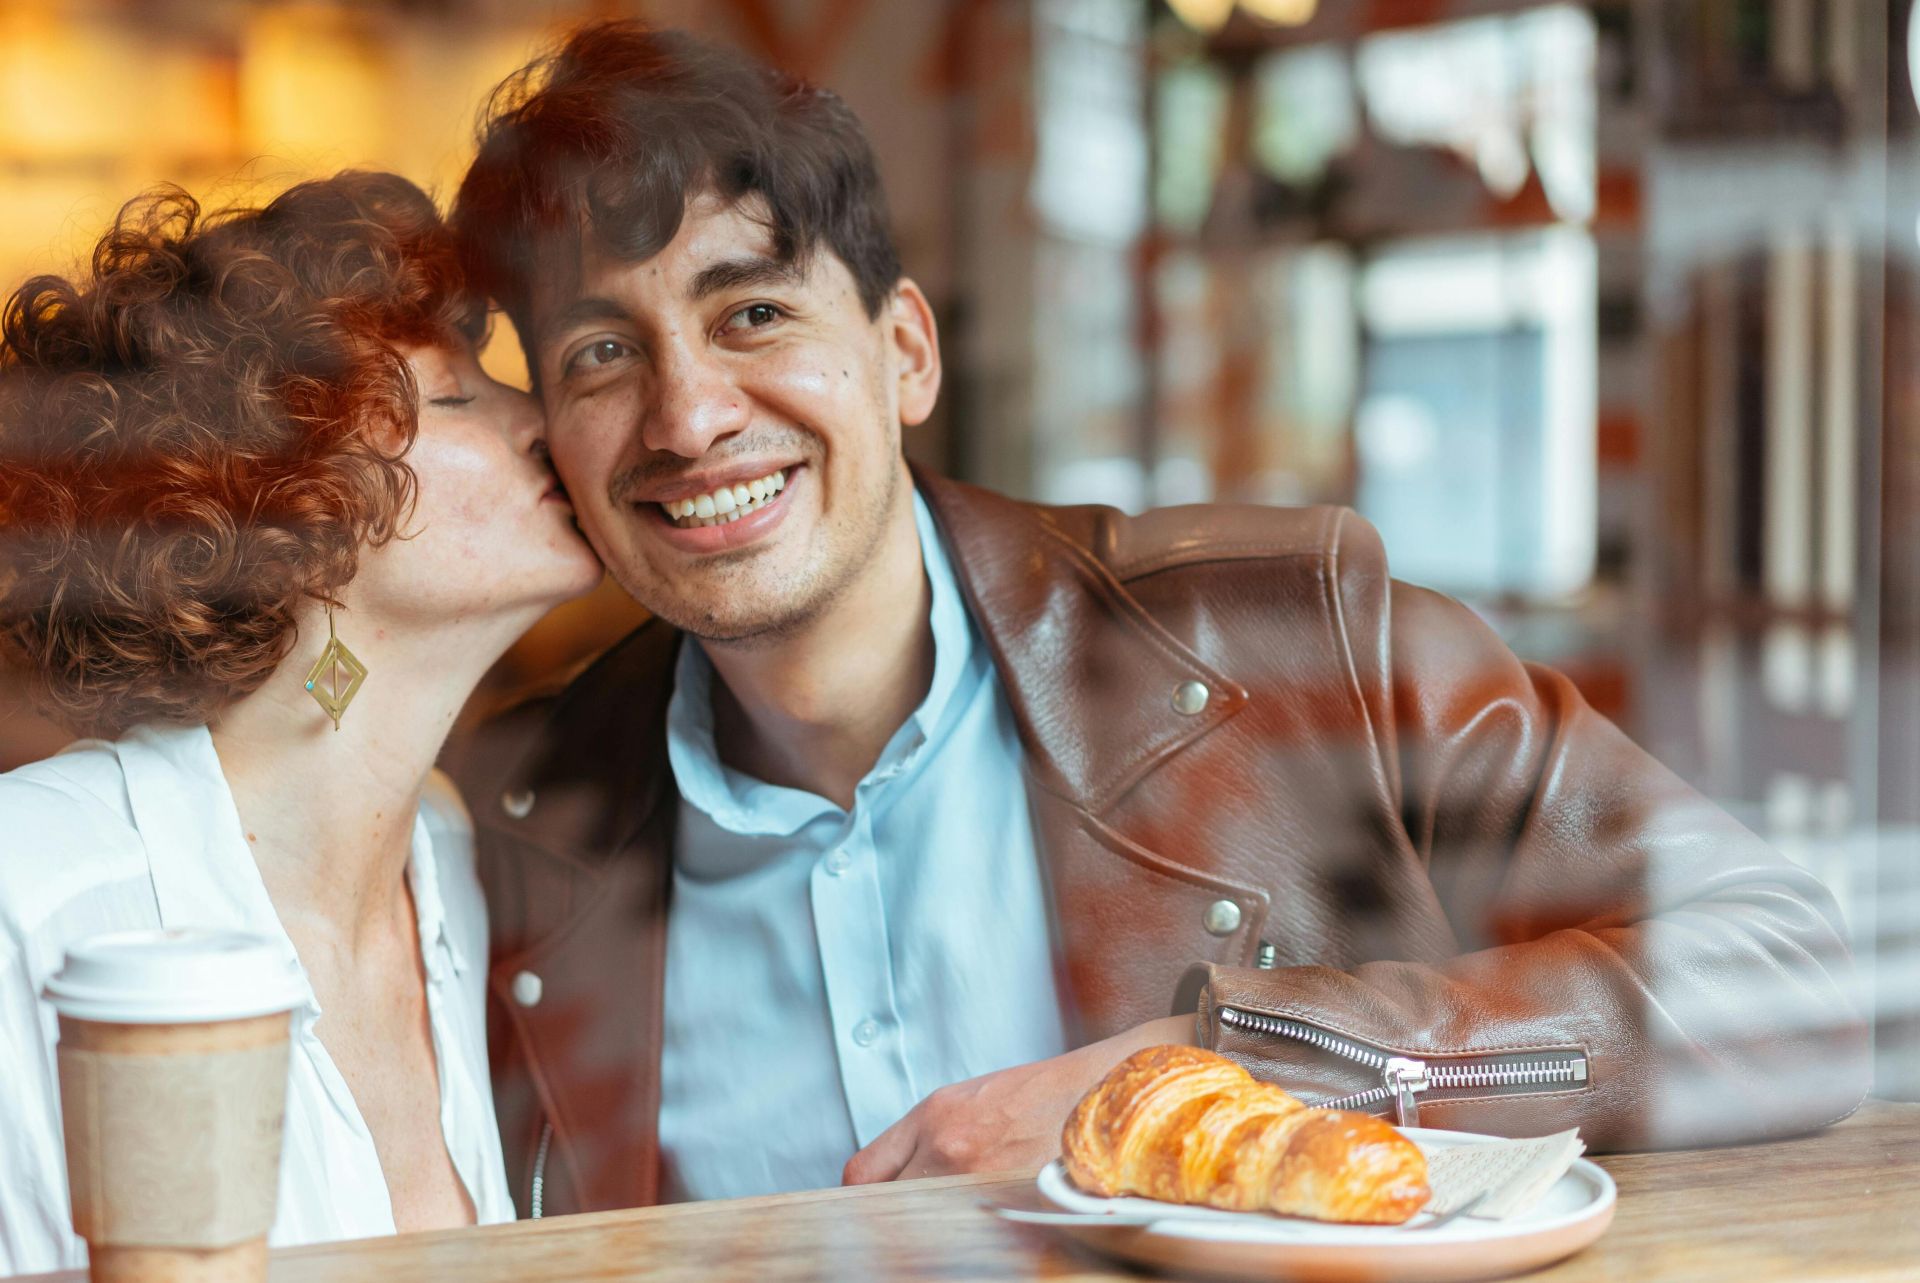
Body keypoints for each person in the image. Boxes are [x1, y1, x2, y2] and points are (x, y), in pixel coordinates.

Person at [447, 22, 1871, 1214]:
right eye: (599, 352)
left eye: (752, 313)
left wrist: (1222, 1058)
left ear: (904, 354)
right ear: (554, 442)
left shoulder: (1292, 642)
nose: (689, 415)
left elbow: (1782, 980)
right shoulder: (504, 825)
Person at [0, 173, 604, 1273]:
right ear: (296, 513)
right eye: (462, 399)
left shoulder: (469, 873)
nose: (545, 420)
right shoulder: (27, 895)